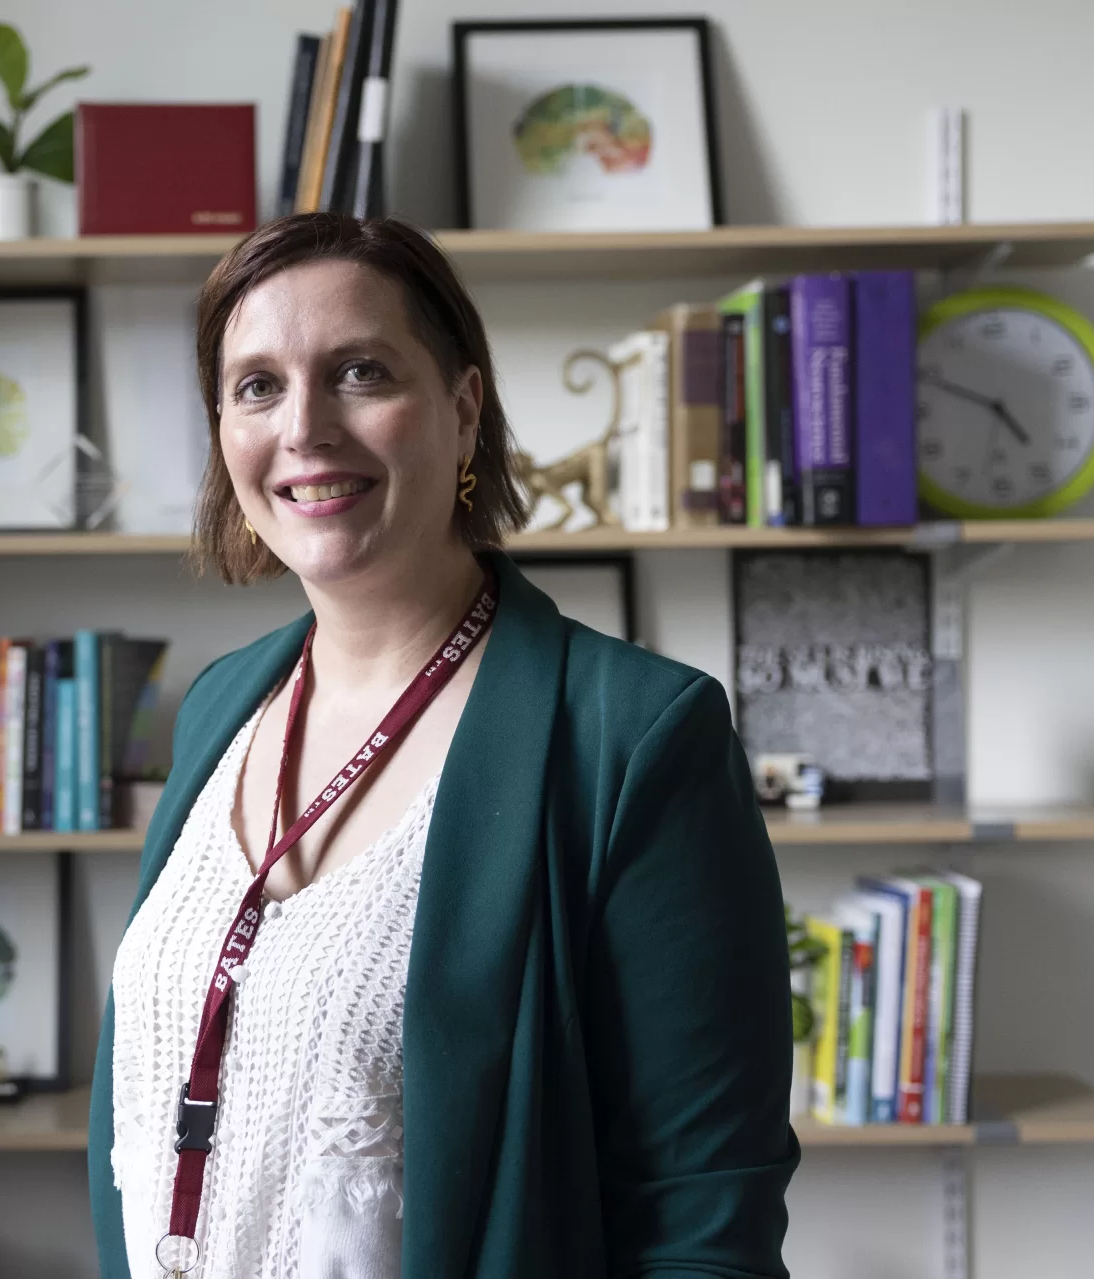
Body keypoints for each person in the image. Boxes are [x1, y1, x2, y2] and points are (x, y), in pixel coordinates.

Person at [90, 213, 797, 1279]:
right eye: (255, 386)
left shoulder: (635, 738)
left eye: (359, 371)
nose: (304, 429)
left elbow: (703, 1217)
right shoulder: (218, 706)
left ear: (463, 410)